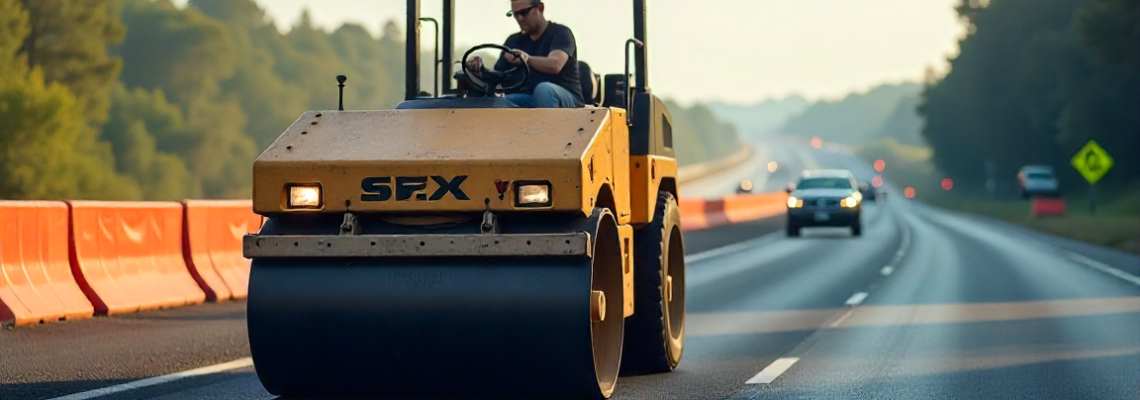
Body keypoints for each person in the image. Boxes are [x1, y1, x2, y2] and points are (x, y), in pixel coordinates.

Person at [465, 1, 583, 108]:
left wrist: (526, 59)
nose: (520, 18)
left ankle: (549, 131)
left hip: (564, 98)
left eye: (524, 13)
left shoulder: (560, 33)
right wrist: (479, 69)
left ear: (540, 8)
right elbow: (500, 75)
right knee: (501, 103)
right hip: (527, 98)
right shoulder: (513, 41)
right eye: (515, 14)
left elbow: (555, 64)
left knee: (544, 90)